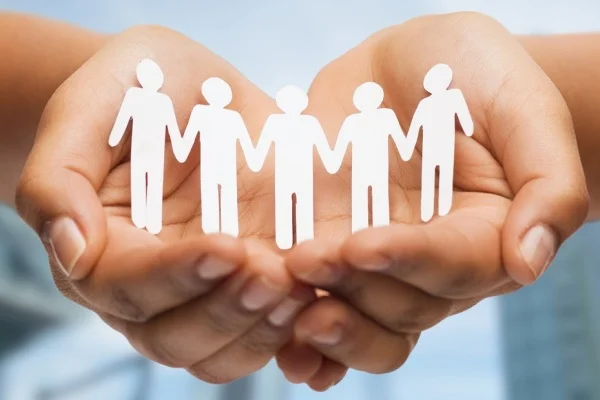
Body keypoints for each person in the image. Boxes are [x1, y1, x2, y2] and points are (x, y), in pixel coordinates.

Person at [2, 10, 599, 392]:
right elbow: (243, 142)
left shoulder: (367, 122)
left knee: (389, 208)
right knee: (265, 214)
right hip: (207, 173)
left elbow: (349, 142)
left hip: (375, 171)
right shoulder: (206, 120)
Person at [249, 85, 335, 250]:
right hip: (287, 172)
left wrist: (332, 163)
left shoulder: (307, 122)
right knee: (288, 203)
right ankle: (286, 240)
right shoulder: (279, 122)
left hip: (300, 173)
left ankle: (296, 240)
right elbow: (263, 146)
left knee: (296, 203)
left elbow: (323, 147)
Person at [108, 59, 186, 235]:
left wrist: (180, 147)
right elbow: (123, 118)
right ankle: (139, 218)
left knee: (154, 182)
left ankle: (152, 220)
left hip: (156, 149)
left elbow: (172, 126)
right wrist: (114, 138)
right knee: (139, 179)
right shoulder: (134, 95)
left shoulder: (164, 101)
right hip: (140, 147)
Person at [180, 77, 257, 238]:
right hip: (209, 162)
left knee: (225, 194)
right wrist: (181, 152)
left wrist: (254, 159)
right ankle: (212, 231)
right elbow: (190, 135)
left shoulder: (233, 117)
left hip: (227, 164)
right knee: (211, 194)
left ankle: (227, 231)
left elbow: (244, 139)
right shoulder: (201, 112)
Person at [329, 81, 406, 233]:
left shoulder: (386, 116)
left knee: (377, 200)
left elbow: (400, 141)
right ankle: (363, 234)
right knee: (363, 203)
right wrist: (331, 163)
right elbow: (340, 147)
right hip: (362, 170)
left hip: (376, 169)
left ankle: (376, 233)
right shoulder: (352, 121)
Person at [402, 63, 474, 222]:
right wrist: (406, 148)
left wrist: (468, 128)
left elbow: (463, 116)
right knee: (432, 176)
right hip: (431, 146)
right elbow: (415, 127)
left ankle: (441, 210)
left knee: (441, 176)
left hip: (443, 144)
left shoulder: (452, 96)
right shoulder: (426, 103)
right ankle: (429, 211)